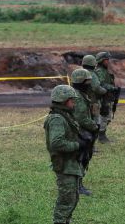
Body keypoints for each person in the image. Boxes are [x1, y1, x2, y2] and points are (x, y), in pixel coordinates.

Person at [44, 85, 85, 224]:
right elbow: (56, 143)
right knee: (66, 201)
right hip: (64, 165)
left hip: (71, 164)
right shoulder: (57, 119)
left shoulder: (65, 116)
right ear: (63, 100)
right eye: (72, 100)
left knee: (72, 198)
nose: (74, 103)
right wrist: (77, 145)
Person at [71, 68, 99, 196]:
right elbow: (82, 118)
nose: (89, 84)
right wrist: (94, 127)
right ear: (81, 82)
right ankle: (77, 186)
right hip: (81, 134)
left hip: (81, 133)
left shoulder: (78, 95)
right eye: (87, 81)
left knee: (82, 159)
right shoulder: (78, 97)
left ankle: (78, 184)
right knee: (81, 159)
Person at [81, 55, 107, 143]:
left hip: (81, 101)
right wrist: (105, 91)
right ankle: (91, 144)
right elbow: (96, 88)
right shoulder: (91, 74)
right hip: (93, 102)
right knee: (95, 123)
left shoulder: (79, 73)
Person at [95, 52, 119, 143]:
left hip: (106, 97)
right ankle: (101, 137)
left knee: (107, 117)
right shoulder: (100, 71)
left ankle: (102, 135)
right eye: (106, 60)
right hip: (102, 97)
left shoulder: (104, 70)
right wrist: (111, 88)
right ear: (102, 61)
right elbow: (100, 84)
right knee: (104, 117)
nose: (108, 61)